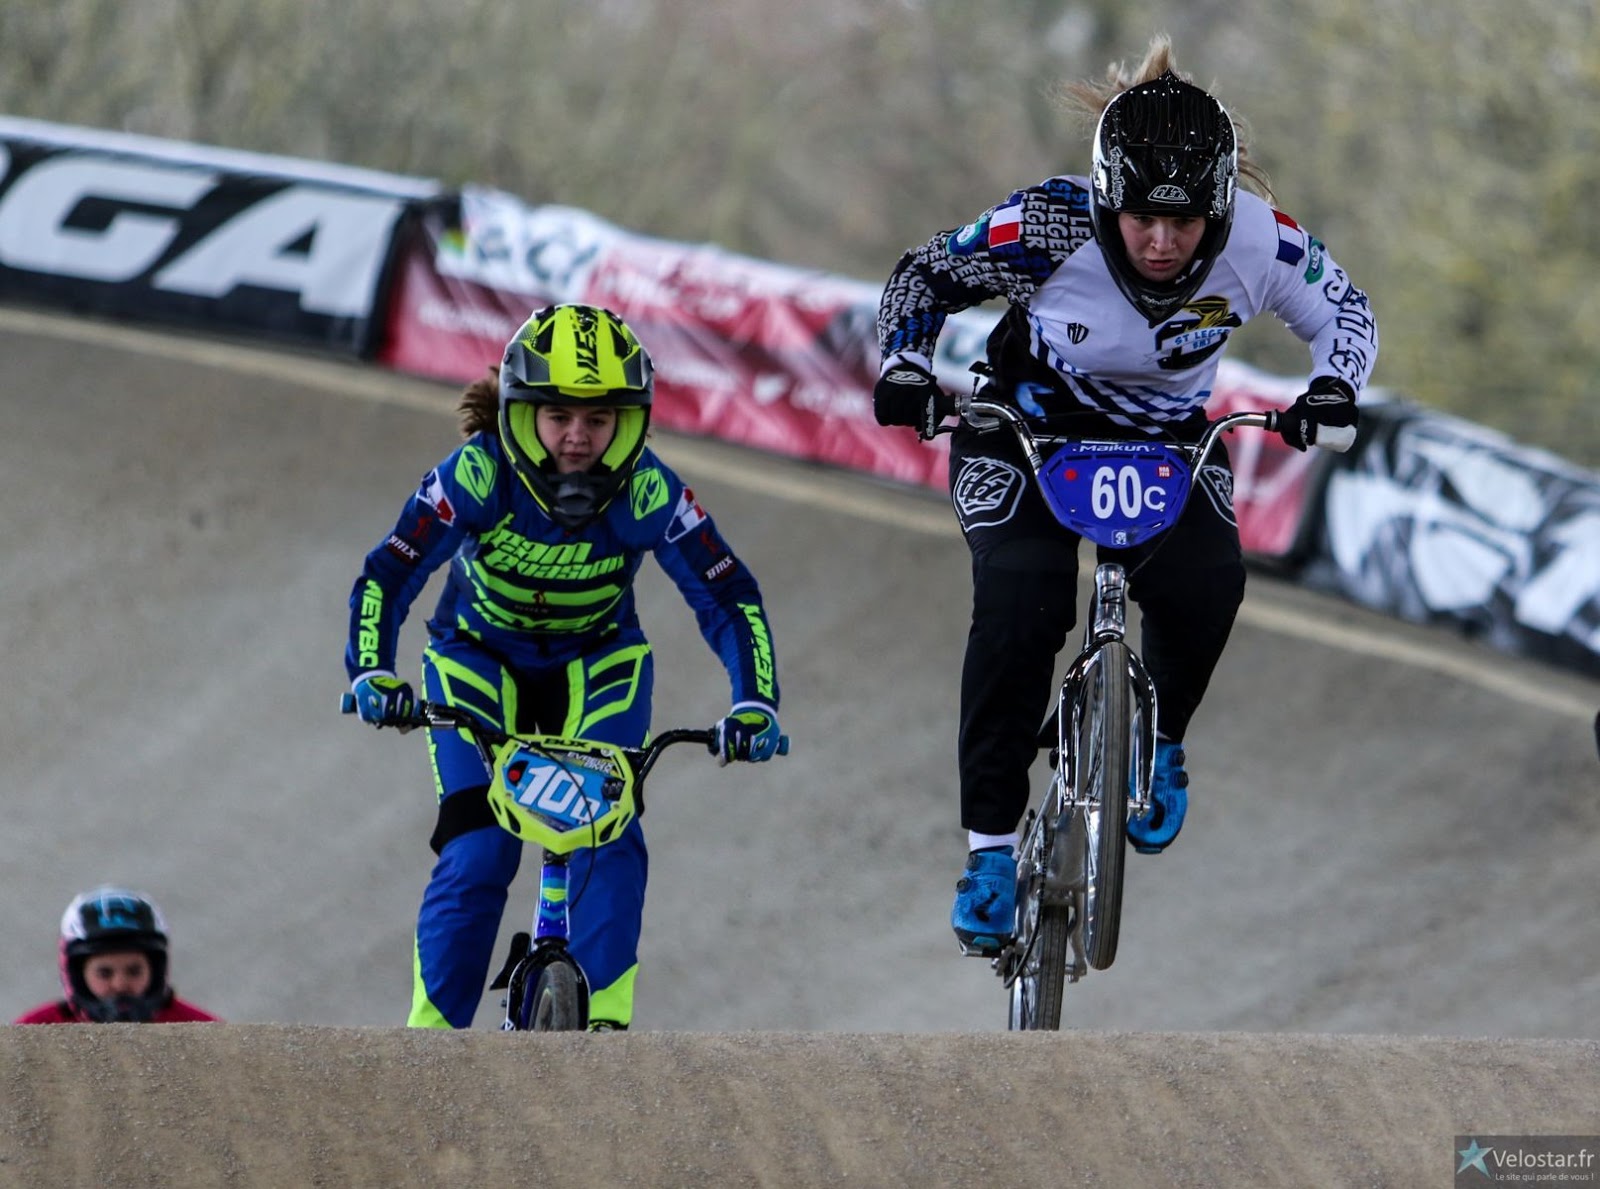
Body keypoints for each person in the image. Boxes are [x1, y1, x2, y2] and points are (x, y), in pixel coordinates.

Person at [873, 36, 1378, 955]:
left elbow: (1346, 312)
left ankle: (1165, 737)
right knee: (1020, 606)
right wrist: (905, 365)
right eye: (1141, 217)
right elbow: (923, 276)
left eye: (1184, 225)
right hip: (1023, 428)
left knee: (1209, 583)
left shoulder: (1264, 240)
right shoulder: (1046, 228)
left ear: (1220, 212)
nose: (1160, 241)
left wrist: (1333, 387)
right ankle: (988, 850)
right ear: (1106, 197)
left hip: (1170, 436)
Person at [345, 302, 783, 1031]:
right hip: (475, 659)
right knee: (479, 849)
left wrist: (755, 701)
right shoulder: (476, 474)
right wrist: (370, 669)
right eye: (558, 416)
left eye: (600, 418)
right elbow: (386, 573)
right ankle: (424, 1050)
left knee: (607, 836)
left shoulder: (649, 490)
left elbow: (728, 592)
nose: (579, 437)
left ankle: (607, 1035)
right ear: (521, 413)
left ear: (630, 422)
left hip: (599, 663)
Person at [13, 887, 222, 1024]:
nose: (120, 984)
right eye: (104, 973)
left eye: (134, 971)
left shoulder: (203, 1030)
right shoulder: (35, 1029)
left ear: (156, 970)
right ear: (77, 975)